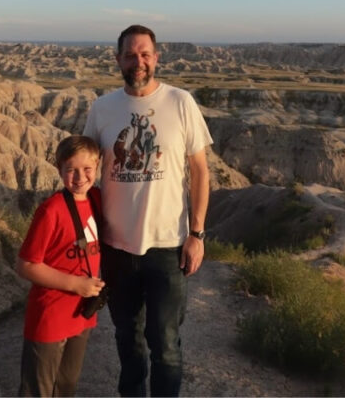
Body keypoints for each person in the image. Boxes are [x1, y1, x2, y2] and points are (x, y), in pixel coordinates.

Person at [83, 24, 212, 397]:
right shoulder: (102, 108)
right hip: (116, 249)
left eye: (144, 54)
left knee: (166, 345)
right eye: (129, 55)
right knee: (128, 341)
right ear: (118, 59)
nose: (137, 62)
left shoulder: (180, 102)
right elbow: (87, 171)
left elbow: (200, 171)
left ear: (156, 57)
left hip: (168, 248)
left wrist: (197, 234)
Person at [16, 135, 106, 397]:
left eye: (87, 169)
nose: (80, 177)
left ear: (97, 167)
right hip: (50, 315)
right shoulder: (51, 211)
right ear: (59, 171)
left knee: (66, 387)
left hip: (81, 315)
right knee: (38, 389)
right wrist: (76, 284)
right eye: (71, 170)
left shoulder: (96, 200)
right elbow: (26, 266)